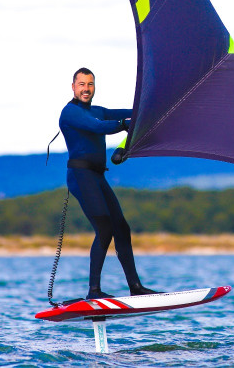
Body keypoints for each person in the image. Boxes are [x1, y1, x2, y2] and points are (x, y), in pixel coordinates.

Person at [59, 67, 159, 300]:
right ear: (73, 87)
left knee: (121, 228)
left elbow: (131, 112)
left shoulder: (98, 110)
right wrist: (124, 124)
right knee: (104, 228)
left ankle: (135, 287)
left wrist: (153, 109)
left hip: (97, 176)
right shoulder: (70, 113)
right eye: (82, 84)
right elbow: (98, 127)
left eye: (90, 84)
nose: (86, 89)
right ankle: (94, 291)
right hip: (80, 176)